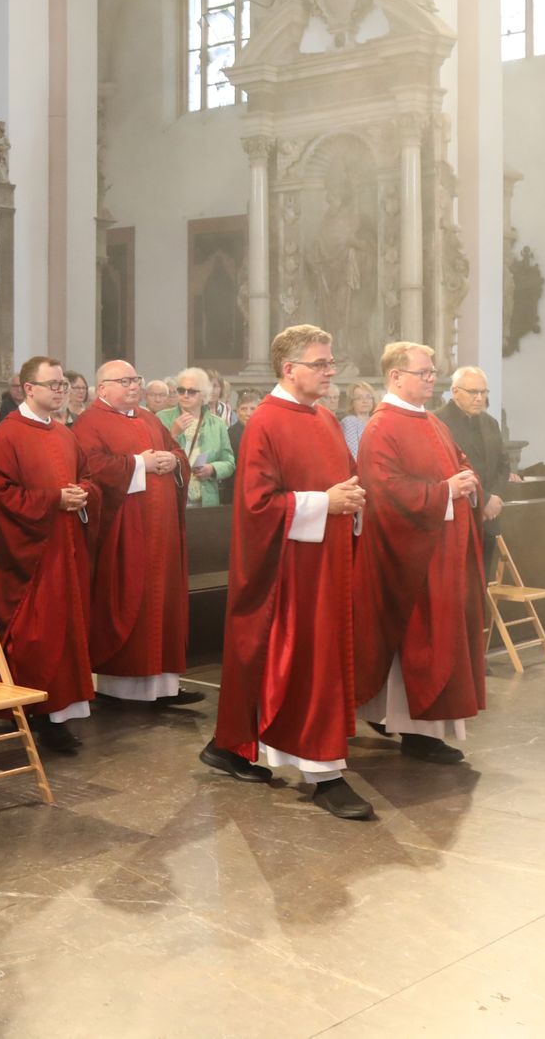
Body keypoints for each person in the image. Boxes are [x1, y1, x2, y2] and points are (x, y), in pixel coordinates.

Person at [200, 324, 373, 819]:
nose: (330, 370)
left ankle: (230, 747)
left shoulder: (322, 417)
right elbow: (256, 505)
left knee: (301, 664)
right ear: (289, 368)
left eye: (330, 361)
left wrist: (352, 499)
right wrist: (326, 502)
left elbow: (342, 477)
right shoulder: (267, 422)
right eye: (320, 363)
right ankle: (324, 774)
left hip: (325, 560)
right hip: (289, 572)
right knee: (302, 664)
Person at [353, 341, 488, 764]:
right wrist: (446, 491)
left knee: (440, 641)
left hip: (442, 553)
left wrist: (467, 478)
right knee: (414, 645)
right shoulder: (382, 427)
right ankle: (414, 730)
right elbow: (385, 492)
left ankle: (419, 728)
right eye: (424, 373)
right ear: (395, 377)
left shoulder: (431, 421)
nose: (433, 379)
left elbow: (458, 461)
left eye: (433, 373)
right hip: (411, 560)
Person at [0, 355, 95, 753]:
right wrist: (53, 500)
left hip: (65, 549)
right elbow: (2, 495)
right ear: (29, 389)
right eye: (53, 385)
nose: (61, 390)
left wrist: (82, 494)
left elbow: (85, 477)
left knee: (64, 632)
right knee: (37, 637)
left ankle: (58, 714)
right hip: (31, 557)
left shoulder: (65, 433)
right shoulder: (8, 434)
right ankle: (33, 711)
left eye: (63, 384)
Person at [75, 361, 196, 706]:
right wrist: (139, 463)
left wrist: (175, 462)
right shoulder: (90, 422)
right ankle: (122, 687)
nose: (133, 386)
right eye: (124, 381)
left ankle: (164, 685)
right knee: (131, 600)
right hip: (125, 534)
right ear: (102, 388)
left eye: (135, 379)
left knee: (164, 603)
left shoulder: (148, 417)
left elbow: (175, 451)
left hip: (163, 532)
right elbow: (91, 467)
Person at [436, 366, 512, 545]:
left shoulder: (490, 423)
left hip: (490, 517)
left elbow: (503, 464)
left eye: (483, 392)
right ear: (455, 392)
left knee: (485, 572)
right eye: (473, 392)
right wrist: (483, 500)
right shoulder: (438, 422)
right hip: (458, 515)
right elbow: (444, 470)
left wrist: (493, 499)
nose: (479, 398)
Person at [160, 367, 235, 507]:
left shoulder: (217, 423)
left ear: (204, 395)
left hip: (206, 500)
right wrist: (173, 434)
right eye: (181, 390)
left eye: (192, 391)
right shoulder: (163, 418)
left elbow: (229, 462)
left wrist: (212, 469)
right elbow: (155, 457)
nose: (185, 395)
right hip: (172, 497)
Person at [339, 382, 376, 458]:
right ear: (352, 402)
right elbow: (353, 454)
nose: (365, 401)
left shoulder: (377, 421)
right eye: (359, 398)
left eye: (368, 397)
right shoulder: (349, 422)